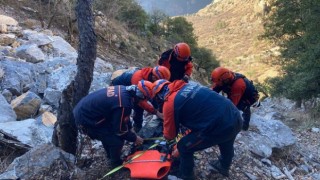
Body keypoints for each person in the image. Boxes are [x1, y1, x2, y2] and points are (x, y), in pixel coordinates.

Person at [148, 79, 243, 179]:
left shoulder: (169, 102)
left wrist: (171, 140)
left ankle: (186, 175)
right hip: (235, 116)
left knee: (183, 147)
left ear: (158, 95)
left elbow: (169, 135)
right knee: (227, 140)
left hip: (218, 126)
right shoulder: (188, 85)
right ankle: (224, 166)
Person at [73, 80, 154, 168]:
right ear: (140, 95)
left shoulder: (124, 90)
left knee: (111, 136)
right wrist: (134, 138)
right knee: (117, 141)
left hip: (87, 110)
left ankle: (110, 155)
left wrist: (130, 128)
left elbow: (123, 117)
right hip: (87, 119)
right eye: (145, 99)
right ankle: (115, 163)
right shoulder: (124, 104)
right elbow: (119, 130)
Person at [111, 66, 170, 131]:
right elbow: (141, 102)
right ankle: (136, 127)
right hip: (118, 86)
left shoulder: (151, 75)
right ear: (154, 77)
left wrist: (159, 108)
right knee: (138, 108)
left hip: (133, 88)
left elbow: (153, 93)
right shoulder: (138, 79)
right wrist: (155, 112)